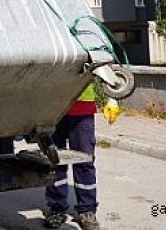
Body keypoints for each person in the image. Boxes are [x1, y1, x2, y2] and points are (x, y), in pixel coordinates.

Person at [44, 83, 100, 230]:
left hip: (82, 108)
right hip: (54, 109)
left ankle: (87, 210)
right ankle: (56, 208)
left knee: (84, 160)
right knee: (55, 161)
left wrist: (112, 98)